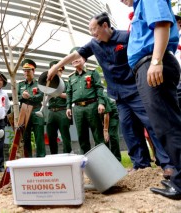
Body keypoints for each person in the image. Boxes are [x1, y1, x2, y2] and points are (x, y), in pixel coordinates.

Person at [47, 12, 175, 178]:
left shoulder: (126, 37)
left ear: (105, 26)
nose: (92, 33)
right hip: (119, 96)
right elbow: (77, 54)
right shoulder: (94, 44)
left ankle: (168, 164)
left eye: (94, 29)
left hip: (137, 90)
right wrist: (56, 66)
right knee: (128, 129)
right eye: (90, 30)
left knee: (151, 125)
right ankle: (141, 165)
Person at [120, 0, 181, 200]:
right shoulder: (139, 7)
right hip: (148, 65)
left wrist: (156, 61)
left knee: (167, 125)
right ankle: (178, 177)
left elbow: (162, 23)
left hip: (153, 64)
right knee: (163, 124)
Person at [65, 48, 105, 154]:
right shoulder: (71, 78)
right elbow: (69, 93)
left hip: (92, 105)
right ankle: (86, 161)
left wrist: (101, 103)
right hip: (77, 109)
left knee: (97, 134)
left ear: (84, 58)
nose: (75, 60)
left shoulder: (92, 72)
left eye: (77, 57)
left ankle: (102, 158)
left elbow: (99, 88)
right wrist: (68, 107)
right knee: (82, 136)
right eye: (73, 58)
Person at [18, 58, 45, 157]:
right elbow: (16, 97)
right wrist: (22, 96)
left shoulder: (39, 84)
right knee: (26, 136)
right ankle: (28, 158)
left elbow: (41, 96)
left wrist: (30, 97)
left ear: (33, 71)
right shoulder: (20, 85)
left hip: (36, 110)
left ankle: (41, 157)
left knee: (39, 136)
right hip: (25, 112)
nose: (26, 73)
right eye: (24, 71)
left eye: (28, 70)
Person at [46, 60, 72, 154]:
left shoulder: (66, 83)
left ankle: (68, 155)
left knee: (65, 136)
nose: (57, 73)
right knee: (51, 136)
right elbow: (43, 97)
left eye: (59, 71)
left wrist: (58, 93)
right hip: (51, 112)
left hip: (62, 111)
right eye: (55, 71)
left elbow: (70, 96)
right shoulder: (47, 83)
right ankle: (54, 157)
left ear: (62, 71)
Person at [102, 92, 121, 161]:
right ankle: (106, 159)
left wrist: (105, 130)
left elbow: (106, 113)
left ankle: (117, 159)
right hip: (102, 117)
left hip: (112, 115)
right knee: (103, 139)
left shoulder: (102, 96)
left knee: (112, 135)